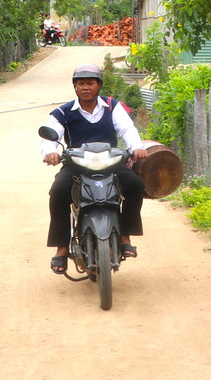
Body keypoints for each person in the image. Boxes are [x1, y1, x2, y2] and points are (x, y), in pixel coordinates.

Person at [40, 63, 149, 274]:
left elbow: (127, 129)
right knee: (58, 192)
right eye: (80, 84)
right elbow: (50, 136)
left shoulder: (112, 106)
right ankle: (61, 248)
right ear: (75, 86)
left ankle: (125, 237)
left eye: (90, 83)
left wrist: (136, 147)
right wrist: (50, 152)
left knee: (135, 184)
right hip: (77, 166)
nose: (85, 87)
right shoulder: (63, 112)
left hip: (110, 164)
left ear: (99, 85)